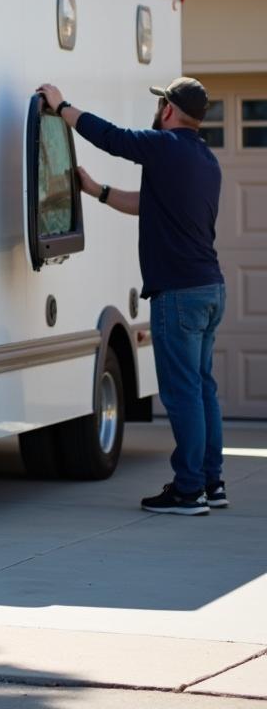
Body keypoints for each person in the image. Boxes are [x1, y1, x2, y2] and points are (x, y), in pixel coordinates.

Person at [36, 77, 226, 517]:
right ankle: (212, 483)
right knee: (202, 390)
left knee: (182, 395)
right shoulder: (205, 161)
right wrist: (97, 191)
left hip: (179, 293)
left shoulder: (165, 147)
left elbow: (112, 138)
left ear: (168, 110)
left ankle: (187, 490)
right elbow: (149, 203)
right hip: (210, 289)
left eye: (161, 102)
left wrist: (63, 107)